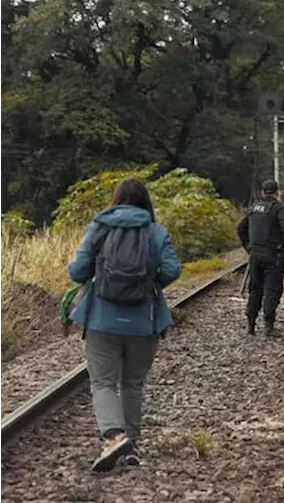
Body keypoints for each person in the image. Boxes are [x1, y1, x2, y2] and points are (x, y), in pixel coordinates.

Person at [67, 178, 182, 472]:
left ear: (116, 200)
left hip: (101, 321)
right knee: (132, 383)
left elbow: (77, 271)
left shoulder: (100, 227)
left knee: (103, 382)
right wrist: (150, 285)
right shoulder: (156, 232)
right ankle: (132, 444)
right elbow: (172, 269)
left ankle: (115, 436)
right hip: (144, 322)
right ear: (146, 202)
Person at [237, 180, 284, 336]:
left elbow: (240, 228)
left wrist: (248, 246)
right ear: (277, 192)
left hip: (255, 255)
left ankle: (251, 324)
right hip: (272, 255)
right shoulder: (277, 208)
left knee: (255, 289)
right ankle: (269, 326)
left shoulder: (254, 208)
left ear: (263, 192)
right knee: (272, 290)